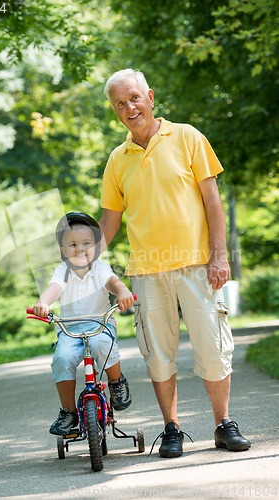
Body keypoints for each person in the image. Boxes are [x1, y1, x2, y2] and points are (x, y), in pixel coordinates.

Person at [98, 68, 251, 457]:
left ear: (149, 96)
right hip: (147, 272)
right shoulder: (117, 160)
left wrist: (220, 256)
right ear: (115, 112)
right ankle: (172, 428)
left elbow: (212, 202)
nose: (129, 107)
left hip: (198, 265)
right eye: (120, 103)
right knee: (158, 354)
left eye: (134, 97)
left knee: (213, 347)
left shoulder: (188, 137)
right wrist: (80, 258)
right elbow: (109, 221)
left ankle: (223, 424)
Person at [33, 211, 134, 435]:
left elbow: (112, 282)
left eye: (86, 243)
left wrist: (123, 291)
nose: (80, 249)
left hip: (99, 323)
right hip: (70, 329)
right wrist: (43, 302)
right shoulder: (63, 271)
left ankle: (116, 382)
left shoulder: (100, 268)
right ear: (63, 250)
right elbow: (54, 289)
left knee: (102, 345)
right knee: (62, 358)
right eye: (72, 244)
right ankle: (68, 411)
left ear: (97, 247)